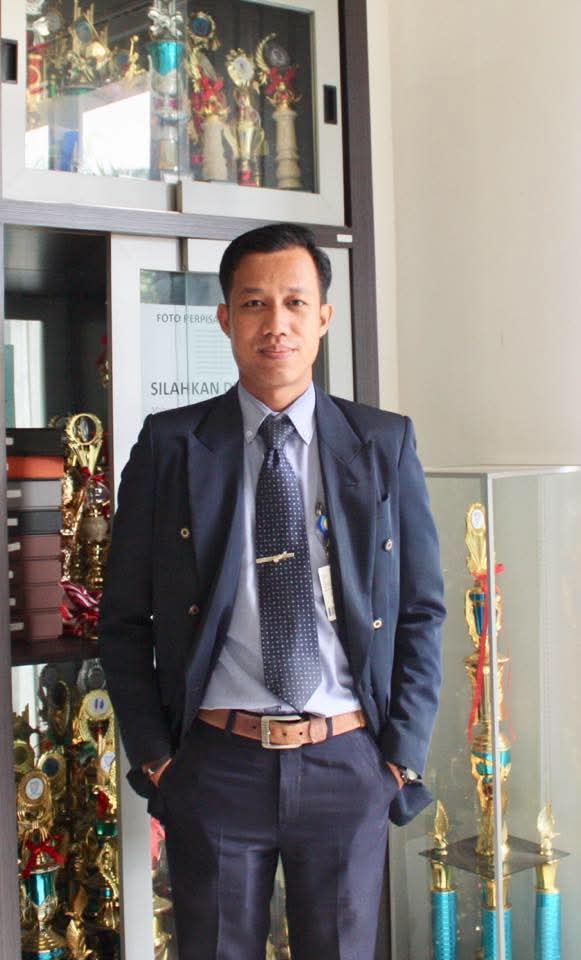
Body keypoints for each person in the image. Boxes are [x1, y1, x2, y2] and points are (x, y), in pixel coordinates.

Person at [99, 222, 445, 960]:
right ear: (225, 318)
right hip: (216, 763)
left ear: (324, 316)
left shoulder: (382, 444)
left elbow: (421, 609)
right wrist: (158, 757)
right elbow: (123, 619)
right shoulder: (171, 446)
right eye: (254, 303)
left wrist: (399, 756)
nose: (276, 323)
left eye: (295, 302)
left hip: (347, 758)